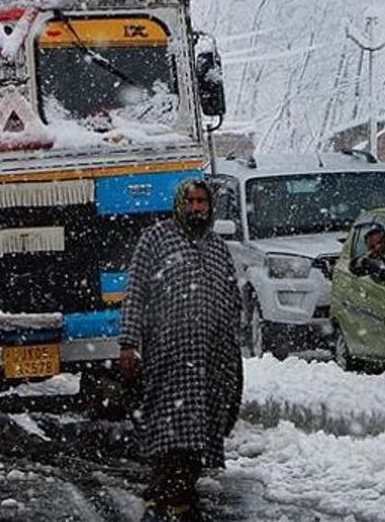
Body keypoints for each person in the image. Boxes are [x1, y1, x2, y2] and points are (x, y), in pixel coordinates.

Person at [119, 179, 243, 522]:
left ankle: (180, 497)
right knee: (168, 431)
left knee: (201, 432)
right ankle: (165, 497)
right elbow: (135, 294)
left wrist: (232, 346)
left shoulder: (217, 247)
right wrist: (129, 344)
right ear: (179, 203)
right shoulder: (155, 239)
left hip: (210, 360)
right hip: (167, 357)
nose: (197, 208)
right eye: (191, 201)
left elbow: (232, 300)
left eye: (203, 201)